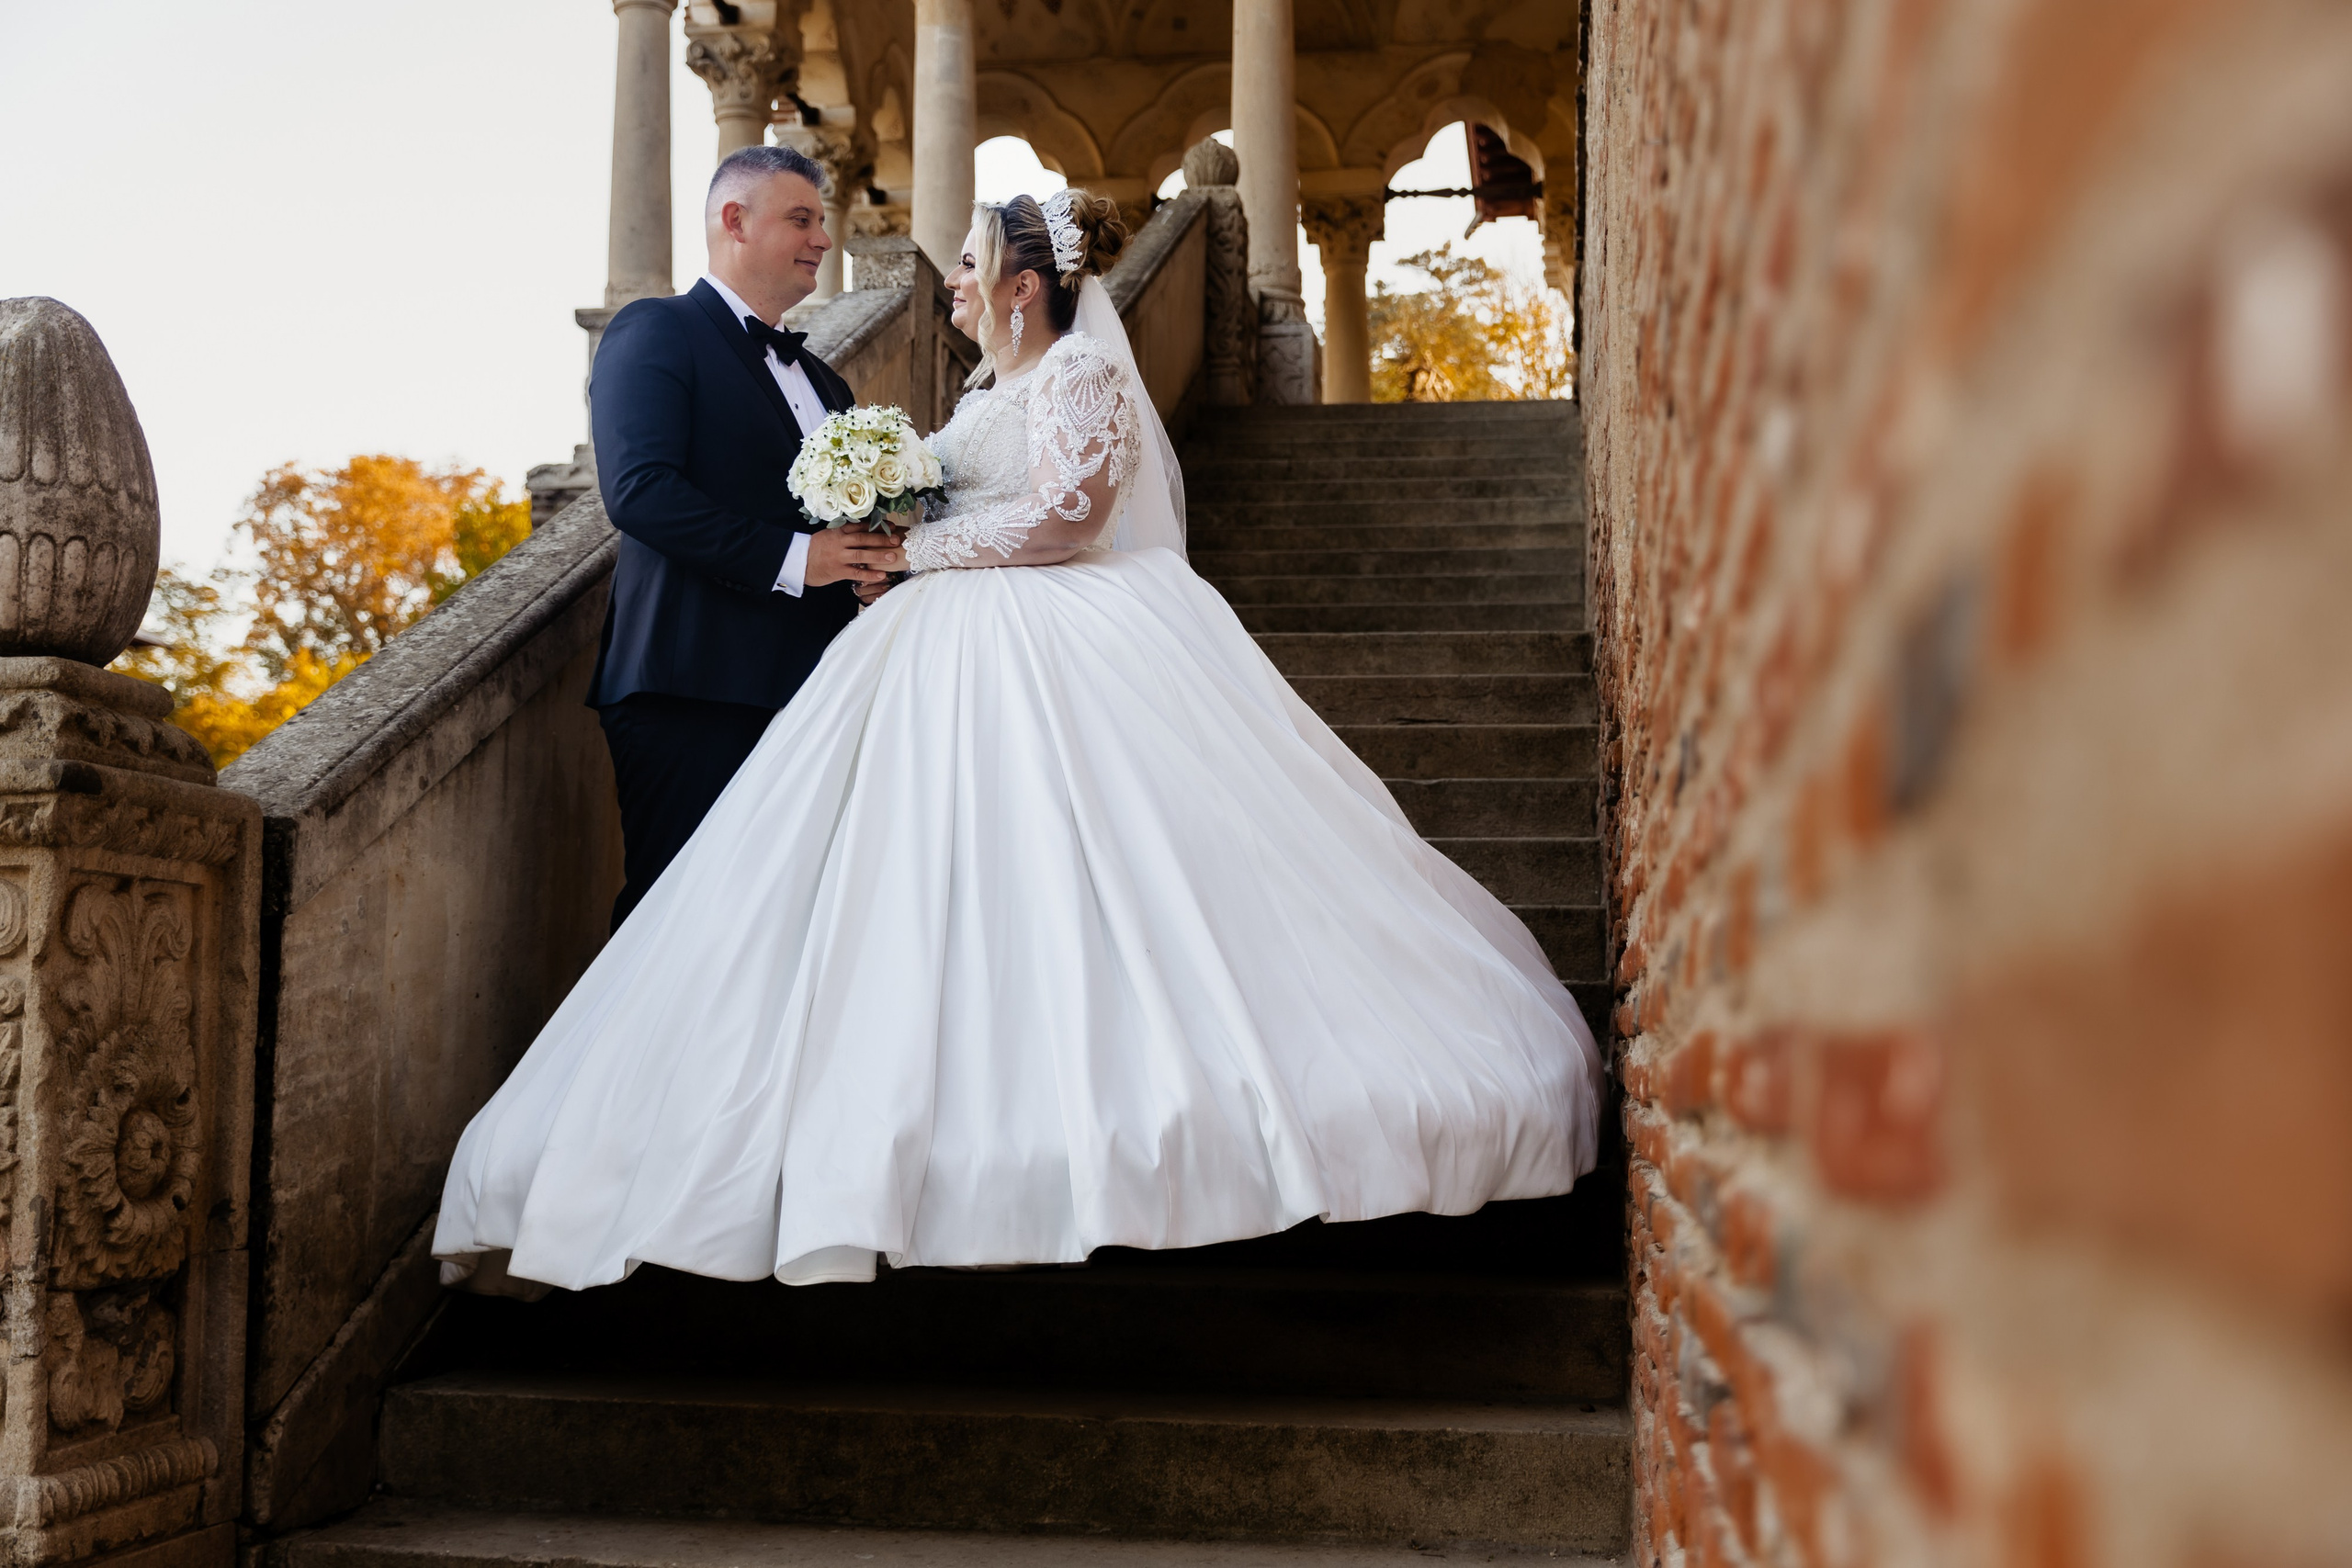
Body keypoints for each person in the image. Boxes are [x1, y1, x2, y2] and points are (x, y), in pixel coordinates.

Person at [435, 189, 1603, 1294]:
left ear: (1024, 282)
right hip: (931, 649)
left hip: (1060, 636)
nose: (948, 283)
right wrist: (898, 514)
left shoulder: (1083, 368)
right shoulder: (989, 388)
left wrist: (914, 554)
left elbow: (1068, 516)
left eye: (965, 264)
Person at [587, 142, 904, 930]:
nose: (823, 240)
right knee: (677, 923)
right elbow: (640, 491)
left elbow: (830, 524)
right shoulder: (655, 330)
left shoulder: (826, 383)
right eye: (801, 219)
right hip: (691, 688)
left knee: (788, 931)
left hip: (813, 693)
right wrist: (803, 558)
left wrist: (867, 564)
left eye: (822, 222)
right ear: (735, 220)